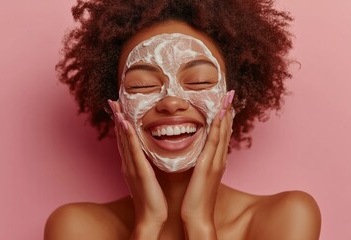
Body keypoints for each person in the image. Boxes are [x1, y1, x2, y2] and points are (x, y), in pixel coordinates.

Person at [44, 0, 321, 239]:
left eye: (199, 81)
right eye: (142, 85)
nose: (171, 102)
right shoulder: (76, 228)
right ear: (114, 108)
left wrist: (199, 222)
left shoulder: (287, 217)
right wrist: (148, 225)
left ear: (235, 101)